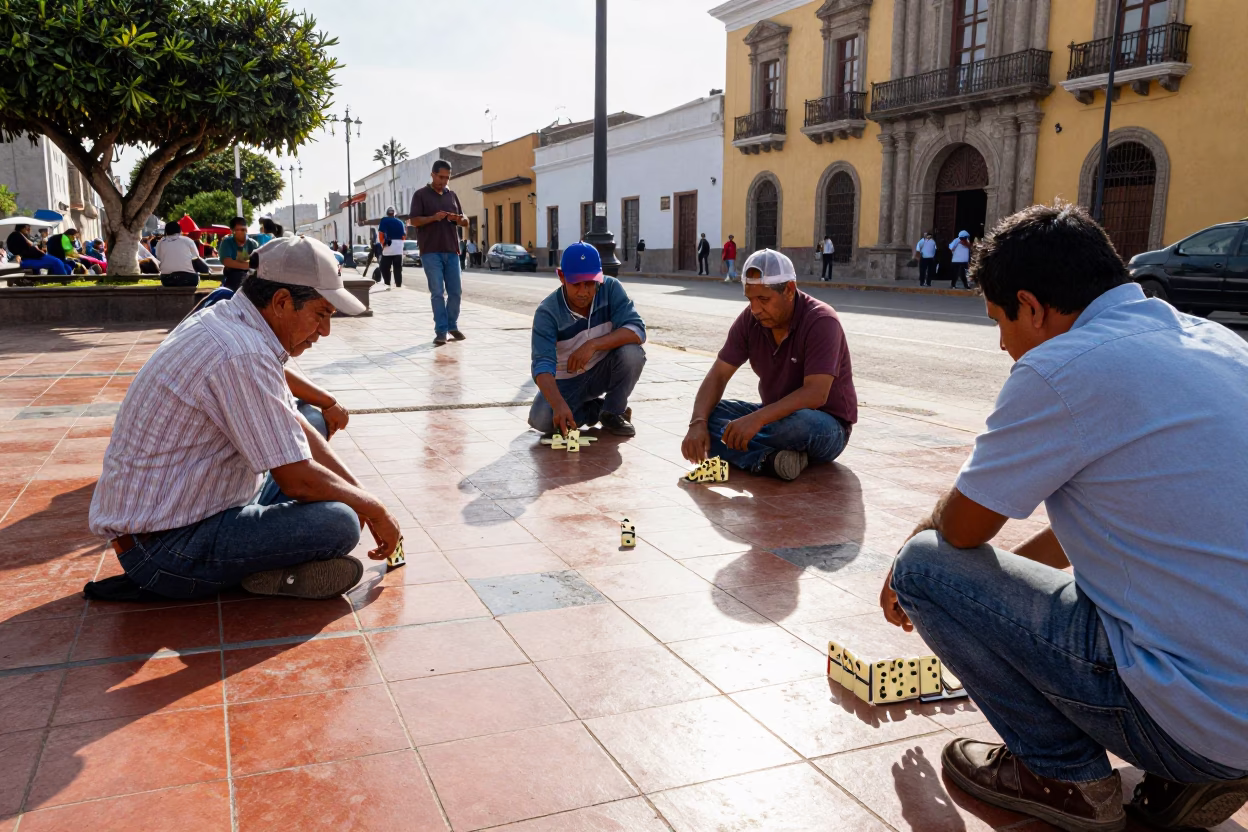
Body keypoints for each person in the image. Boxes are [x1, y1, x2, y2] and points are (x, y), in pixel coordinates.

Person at [880, 203, 1248, 832]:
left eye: (1000, 322)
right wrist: (994, 599)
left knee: (922, 565)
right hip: (1233, 704)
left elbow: (961, 532)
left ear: (1032, 306)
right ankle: (1194, 774)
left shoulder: (1062, 368)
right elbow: (1134, 525)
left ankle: (1062, 776)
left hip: (1195, 719)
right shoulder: (1217, 342)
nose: (1003, 344)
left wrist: (932, 568)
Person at [86, 236, 399, 602]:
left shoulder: (230, 316)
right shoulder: (242, 353)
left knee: (311, 420)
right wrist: (373, 510)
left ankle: (267, 564)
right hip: (166, 547)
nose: (324, 331)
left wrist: (363, 496)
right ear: (281, 301)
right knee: (339, 523)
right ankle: (266, 572)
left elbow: (295, 427)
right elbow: (298, 480)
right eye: (321, 314)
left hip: (192, 509)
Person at [682, 249, 856, 482]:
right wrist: (697, 423)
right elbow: (719, 375)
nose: (754, 309)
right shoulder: (750, 320)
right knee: (711, 412)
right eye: (750, 299)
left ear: (789, 290)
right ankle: (771, 460)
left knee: (800, 423)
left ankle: (746, 453)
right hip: (773, 414)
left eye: (763, 299)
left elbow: (816, 394)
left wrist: (757, 420)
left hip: (825, 425)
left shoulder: (822, 320)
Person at [529, 242, 646, 438]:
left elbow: (637, 331)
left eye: (590, 283)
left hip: (603, 370)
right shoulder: (547, 312)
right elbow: (542, 365)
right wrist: (558, 405)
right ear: (561, 277)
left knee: (632, 354)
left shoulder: (611, 289)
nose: (584, 292)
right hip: (565, 382)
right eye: (576, 284)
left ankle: (613, 412)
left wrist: (593, 345)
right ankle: (595, 410)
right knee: (542, 419)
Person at [409, 159, 469, 345]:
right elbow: (414, 221)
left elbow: (465, 220)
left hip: (452, 250)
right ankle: (441, 331)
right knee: (437, 292)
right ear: (433, 175)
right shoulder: (421, 195)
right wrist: (434, 218)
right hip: (430, 251)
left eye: (447, 177)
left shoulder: (452, 195)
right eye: (441, 177)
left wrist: (458, 219)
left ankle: (452, 325)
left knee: (456, 291)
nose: (444, 181)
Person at [156, 220, 207, 287]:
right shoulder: (188, 240)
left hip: (167, 279)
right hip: (189, 279)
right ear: (180, 230)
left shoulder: (160, 243)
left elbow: (159, 258)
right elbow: (196, 257)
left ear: (166, 231)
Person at [5, 224, 69, 275]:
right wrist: (38, 251)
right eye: (27, 227)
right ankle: (63, 282)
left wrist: (38, 249)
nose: (29, 229)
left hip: (34, 257)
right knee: (57, 262)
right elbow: (22, 251)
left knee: (60, 263)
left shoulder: (23, 235)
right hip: (27, 260)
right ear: (22, 228)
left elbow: (32, 247)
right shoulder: (16, 236)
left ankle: (56, 280)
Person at [218, 216, 258, 291]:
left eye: (243, 230)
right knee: (238, 276)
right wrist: (248, 265)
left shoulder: (252, 243)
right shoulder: (227, 242)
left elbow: (257, 261)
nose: (242, 233)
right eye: (238, 230)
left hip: (250, 274)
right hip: (232, 275)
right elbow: (227, 261)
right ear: (232, 231)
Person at [377, 206, 406, 290]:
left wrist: (383, 243)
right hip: (399, 246)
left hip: (389, 246)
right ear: (394, 214)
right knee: (397, 267)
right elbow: (404, 236)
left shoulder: (384, 221)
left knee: (384, 266)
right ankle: (398, 285)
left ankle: (387, 283)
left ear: (387, 213)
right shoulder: (400, 222)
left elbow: (381, 233)